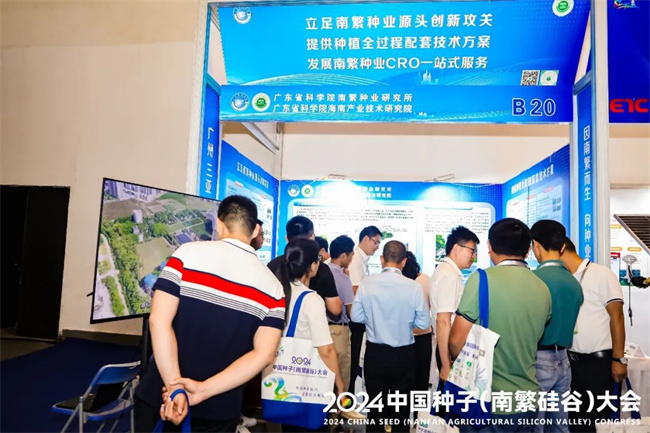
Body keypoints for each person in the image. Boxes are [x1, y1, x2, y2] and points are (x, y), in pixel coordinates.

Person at [138, 195, 285, 431]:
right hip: (220, 407)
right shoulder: (273, 287)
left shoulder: (186, 254)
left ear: (218, 223)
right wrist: (203, 390)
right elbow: (264, 354)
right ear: (256, 230)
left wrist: (175, 388)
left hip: (162, 396)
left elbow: (158, 321)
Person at [450, 218, 551, 432]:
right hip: (528, 400)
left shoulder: (481, 279)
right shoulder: (542, 287)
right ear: (528, 250)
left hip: (487, 401)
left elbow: (456, 341)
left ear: (489, 246)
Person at [351, 241, 430, 432]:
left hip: (375, 354)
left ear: (381, 259)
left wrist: (375, 321)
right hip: (404, 355)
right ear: (404, 261)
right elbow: (423, 323)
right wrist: (405, 324)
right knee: (401, 411)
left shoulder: (367, 284)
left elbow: (356, 316)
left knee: (375, 411)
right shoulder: (414, 287)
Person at [275, 238, 345, 432]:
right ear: (313, 266)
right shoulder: (311, 299)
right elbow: (326, 350)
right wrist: (340, 385)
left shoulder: (277, 291)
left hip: (283, 377)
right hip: (308, 381)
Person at [560, 238, 627, 432]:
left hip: (598, 364)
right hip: (570, 363)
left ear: (561, 249)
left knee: (597, 421)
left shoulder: (601, 273)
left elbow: (617, 316)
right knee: (575, 421)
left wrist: (619, 359)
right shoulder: (564, 278)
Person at [530, 220, 583, 433]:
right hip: (563, 359)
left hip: (538, 358)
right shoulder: (573, 282)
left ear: (535, 245)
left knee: (535, 425)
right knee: (560, 425)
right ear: (562, 247)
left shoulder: (534, 280)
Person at [430, 226, 479, 386]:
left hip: (446, 347)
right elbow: (443, 321)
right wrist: (446, 364)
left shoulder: (446, 270)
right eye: (472, 251)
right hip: (449, 350)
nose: (474, 257)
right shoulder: (449, 275)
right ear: (457, 248)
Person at [268, 216, 342, 317]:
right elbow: (335, 309)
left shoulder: (273, 265)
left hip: (278, 322)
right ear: (312, 237)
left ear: (286, 238)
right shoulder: (320, 267)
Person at [347, 225, 382, 394]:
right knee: (352, 361)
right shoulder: (355, 260)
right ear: (366, 239)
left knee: (355, 361)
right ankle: (347, 401)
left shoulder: (362, 261)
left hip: (359, 318)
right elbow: (354, 290)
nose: (377, 247)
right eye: (376, 242)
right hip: (354, 320)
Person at [327, 235, 356, 393]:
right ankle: (338, 407)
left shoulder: (321, 271)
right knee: (341, 374)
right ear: (344, 255)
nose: (351, 259)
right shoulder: (343, 278)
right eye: (351, 256)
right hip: (339, 331)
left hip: (322, 328)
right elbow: (351, 310)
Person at [403, 251, 433, 392]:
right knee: (421, 378)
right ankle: (419, 406)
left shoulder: (400, 282)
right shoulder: (425, 279)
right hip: (423, 335)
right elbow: (432, 305)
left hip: (402, 337)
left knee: (403, 380)